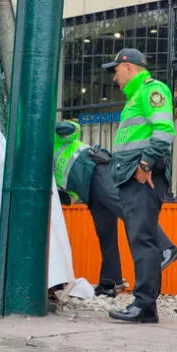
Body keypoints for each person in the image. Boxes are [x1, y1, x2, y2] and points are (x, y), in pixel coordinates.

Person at [53, 120, 177, 298]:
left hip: (96, 169)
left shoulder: (52, 136)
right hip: (88, 190)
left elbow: (74, 129)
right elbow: (67, 192)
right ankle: (110, 282)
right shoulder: (42, 167)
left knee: (129, 211)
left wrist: (49, 126)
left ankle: (166, 247)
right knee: (106, 234)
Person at [102, 48, 176, 323]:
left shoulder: (151, 90)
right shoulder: (136, 97)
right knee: (139, 238)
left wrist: (145, 165)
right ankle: (145, 306)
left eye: (116, 71)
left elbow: (165, 131)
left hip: (143, 177)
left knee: (143, 241)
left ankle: (144, 306)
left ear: (129, 67)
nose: (114, 78)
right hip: (131, 179)